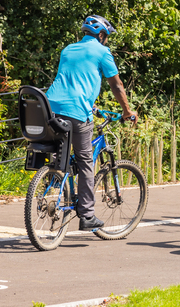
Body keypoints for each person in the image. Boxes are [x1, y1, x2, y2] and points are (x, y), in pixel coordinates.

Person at [46, 15, 137, 231]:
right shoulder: (102, 52)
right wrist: (127, 111)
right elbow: (117, 86)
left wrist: (92, 106)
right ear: (102, 35)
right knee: (86, 160)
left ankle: (56, 183)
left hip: (50, 109)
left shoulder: (67, 49)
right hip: (77, 112)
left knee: (62, 153)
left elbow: (71, 80)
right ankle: (87, 215)